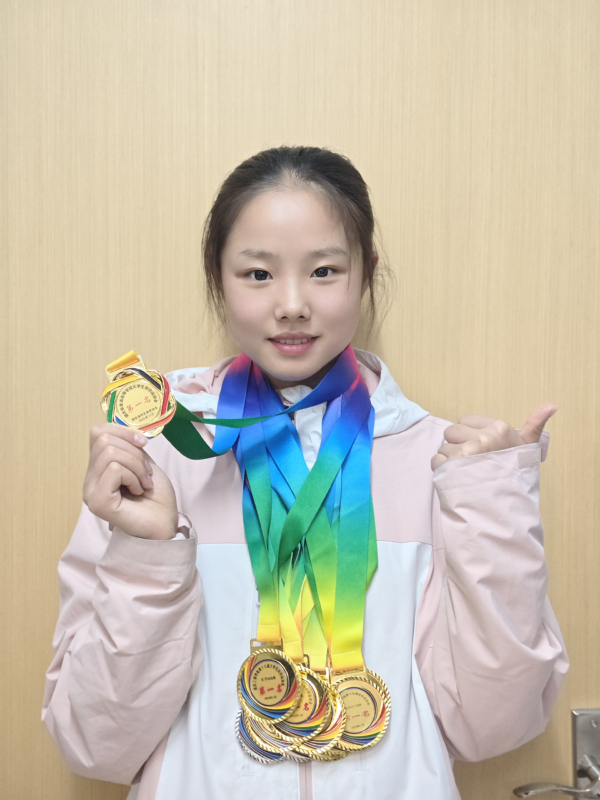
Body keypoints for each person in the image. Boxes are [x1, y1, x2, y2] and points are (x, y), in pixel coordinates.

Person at [42, 146, 568, 800]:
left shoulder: (443, 465)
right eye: (258, 274)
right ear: (218, 278)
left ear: (366, 273)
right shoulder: (153, 466)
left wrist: (491, 507)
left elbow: (495, 725)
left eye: (323, 271)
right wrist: (148, 552)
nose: (291, 304)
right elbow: (94, 743)